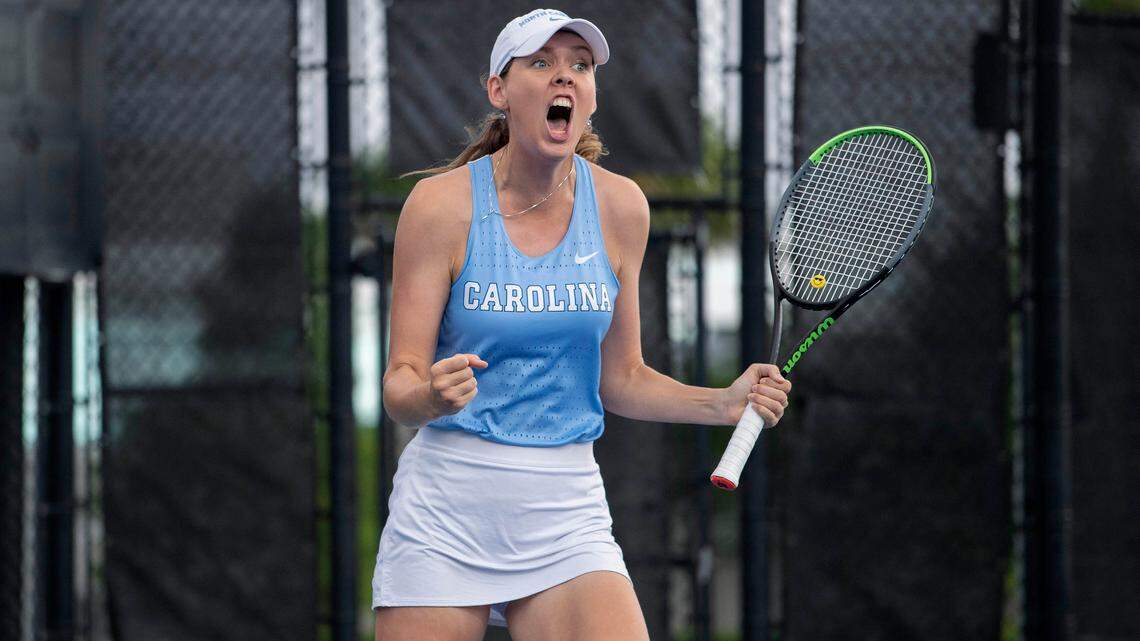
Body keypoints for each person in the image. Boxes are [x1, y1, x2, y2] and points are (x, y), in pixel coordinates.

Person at [372, 8, 792, 641]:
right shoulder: (439, 207)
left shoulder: (622, 206)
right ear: (499, 90)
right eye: (541, 62)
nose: (564, 76)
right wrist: (429, 394)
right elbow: (399, 384)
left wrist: (724, 403)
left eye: (581, 65)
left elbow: (621, 378)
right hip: (446, 513)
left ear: (591, 97)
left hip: (565, 513)